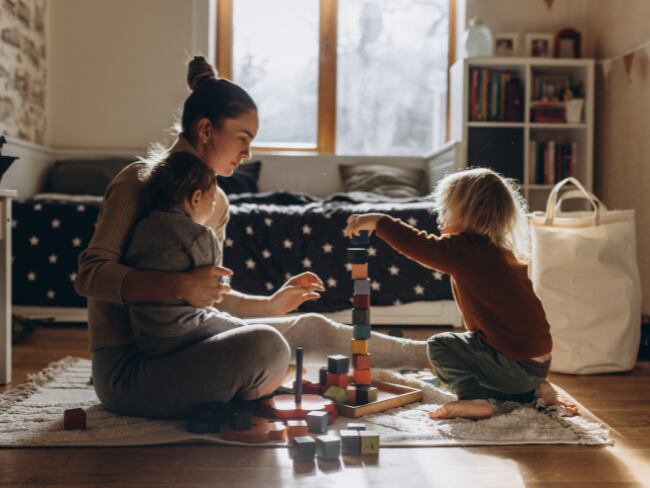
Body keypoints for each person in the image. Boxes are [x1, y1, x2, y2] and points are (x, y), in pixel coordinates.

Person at [75, 55, 430, 419]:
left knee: (309, 326)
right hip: (130, 370)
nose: (247, 155)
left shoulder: (218, 202)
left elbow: (209, 296)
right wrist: (179, 286)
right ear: (205, 130)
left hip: (190, 343)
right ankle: (256, 384)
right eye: (242, 139)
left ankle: (432, 355)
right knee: (265, 348)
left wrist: (271, 305)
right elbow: (90, 275)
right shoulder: (137, 181)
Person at [345, 168, 579, 420]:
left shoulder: (466, 249)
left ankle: (473, 399)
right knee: (474, 354)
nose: (439, 219)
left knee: (441, 346)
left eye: (445, 211)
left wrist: (379, 221)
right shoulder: (499, 251)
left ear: (470, 212)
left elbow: (418, 244)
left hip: (514, 364)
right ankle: (532, 392)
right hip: (537, 365)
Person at [124, 151, 246, 357]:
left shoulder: (143, 226)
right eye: (213, 202)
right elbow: (213, 290)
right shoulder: (200, 235)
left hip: (145, 335)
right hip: (183, 328)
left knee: (216, 319)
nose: (214, 207)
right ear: (196, 197)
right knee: (248, 332)